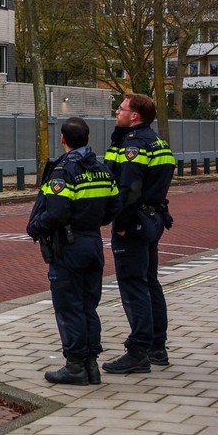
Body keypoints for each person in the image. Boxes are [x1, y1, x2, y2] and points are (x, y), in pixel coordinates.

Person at [26, 117, 119, 385]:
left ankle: (75, 366)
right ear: (88, 138)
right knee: (89, 306)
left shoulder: (63, 171)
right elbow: (114, 206)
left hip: (68, 246)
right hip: (93, 243)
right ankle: (91, 365)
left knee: (69, 307)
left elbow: (56, 212)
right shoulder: (102, 169)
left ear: (62, 139)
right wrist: (92, 221)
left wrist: (35, 227)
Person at [103, 93, 176, 374]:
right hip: (152, 219)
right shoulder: (158, 142)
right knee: (149, 281)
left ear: (134, 116)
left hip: (133, 223)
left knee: (133, 285)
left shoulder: (133, 145)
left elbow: (128, 188)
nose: (117, 112)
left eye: (121, 109)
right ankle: (157, 346)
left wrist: (120, 222)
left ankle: (138, 352)